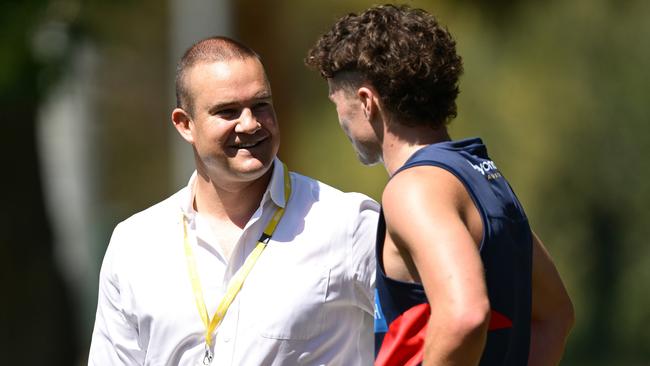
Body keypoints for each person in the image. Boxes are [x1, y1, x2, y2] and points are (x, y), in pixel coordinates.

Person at [306, 4, 575, 366]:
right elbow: (554, 317)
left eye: (337, 102)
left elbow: (465, 317)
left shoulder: (413, 189)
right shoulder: (482, 175)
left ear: (367, 102)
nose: (340, 119)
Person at [88, 36, 378, 365]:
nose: (250, 123)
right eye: (227, 111)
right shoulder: (134, 243)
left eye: (261, 106)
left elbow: (429, 327)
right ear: (185, 125)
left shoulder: (348, 223)